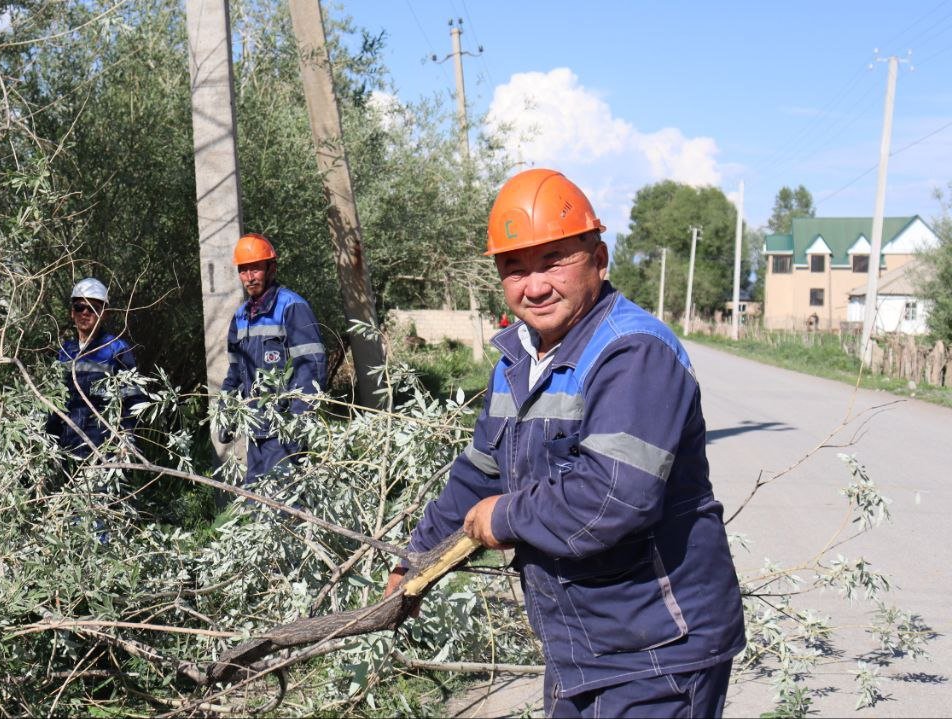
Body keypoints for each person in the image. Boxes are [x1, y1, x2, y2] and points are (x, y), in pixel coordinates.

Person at [385, 169, 745, 718]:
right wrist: (415, 563)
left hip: (656, 651)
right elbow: (477, 476)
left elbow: (613, 497)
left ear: (598, 259)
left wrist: (503, 518)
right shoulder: (517, 364)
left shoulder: (633, 353)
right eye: (514, 268)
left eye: (553, 261)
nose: (534, 285)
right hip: (583, 646)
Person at [218, 233, 327, 485]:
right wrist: (227, 413)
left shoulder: (291, 307)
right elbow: (235, 373)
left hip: (284, 430)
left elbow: (311, 366)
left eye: (255, 268)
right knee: (256, 505)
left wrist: (299, 420)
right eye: (244, 270)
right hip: (255, 430)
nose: (249, 277)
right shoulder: (240, 317)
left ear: (271, 268)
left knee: (286, 505)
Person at [46, 277, 142, 457]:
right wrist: (47, 438)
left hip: (102, 445)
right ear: (72, 313)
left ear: (104, 314)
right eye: (79, 307)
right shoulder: (66, 351)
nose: (85, 313)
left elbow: (133, 397)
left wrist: (126, 436)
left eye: (93, 309)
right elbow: (55, 399)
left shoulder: (117, 348)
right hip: (67, 444)